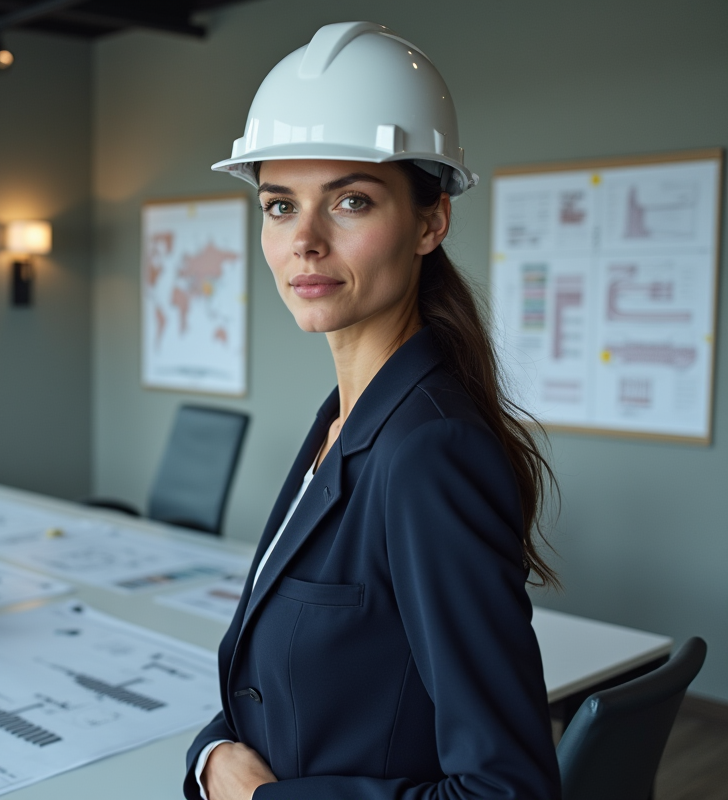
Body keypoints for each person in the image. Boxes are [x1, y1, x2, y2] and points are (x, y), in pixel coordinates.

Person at [184, 22, 562, 800]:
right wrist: (212, 754)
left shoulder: (430, 450)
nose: (305, 241)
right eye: (280, 205)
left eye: (351, 201)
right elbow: (276, 682)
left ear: (430, 222)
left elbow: (507, 789)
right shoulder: (344, 421)